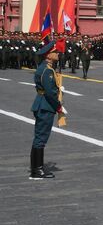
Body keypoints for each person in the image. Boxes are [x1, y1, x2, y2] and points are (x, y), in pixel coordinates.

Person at [30, 39, 65, 180]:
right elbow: (50, 92)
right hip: (45, 106)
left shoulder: (45, 68)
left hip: (42, 104)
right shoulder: (47, 70)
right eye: (55, 52)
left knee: (40, 138)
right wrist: (58, 106)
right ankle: (37, 170)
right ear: (48, 55)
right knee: (41, 138)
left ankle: (37, 168)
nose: (57, 54)